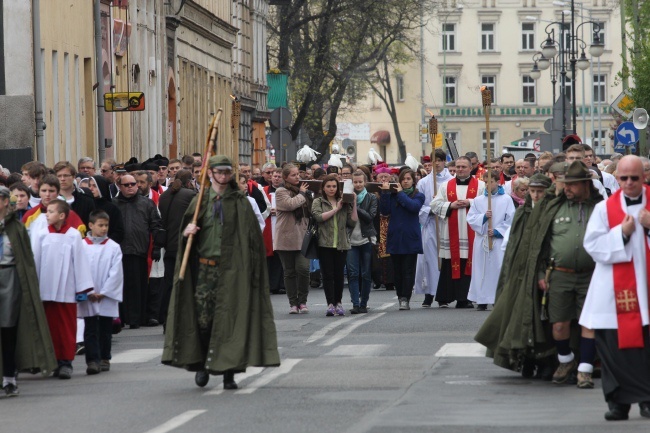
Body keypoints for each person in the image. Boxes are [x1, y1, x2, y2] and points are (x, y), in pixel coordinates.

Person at [162, 155, 280, 390]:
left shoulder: (241, 203)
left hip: (233, 272)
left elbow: (252, 239)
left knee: (231, 321)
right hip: (205, 270)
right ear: (210, 173)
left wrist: (251, 270)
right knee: (204, 321)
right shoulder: (199, 202)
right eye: (219, 172)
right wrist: (188, 233)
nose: (224, 176)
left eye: (227, 172)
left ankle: (229, 372)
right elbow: (185, 239)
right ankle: (204, 365)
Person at [580, 155, 650, 421]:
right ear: (617, 178)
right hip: (612, 292)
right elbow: (593, 245)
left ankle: (647, 400)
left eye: (635, 178)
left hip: (647, 290)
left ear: (643, 176)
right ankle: (618, 403)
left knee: (645, 349)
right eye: (624, 178)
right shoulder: (604, 208)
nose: (629, 183)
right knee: (612, 349)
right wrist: (621, 233)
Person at [475, 173, 555, 377]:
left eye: (540, 191)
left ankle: (544, 360)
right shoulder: (523, 212)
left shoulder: (551, 213)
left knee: (541, 318)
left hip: (542, 272)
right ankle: (523, 359)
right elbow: (514, 244)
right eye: (533, 191)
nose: (536, 195)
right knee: (517, 317)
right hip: (520, 273)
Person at [537, 161, 603, 388]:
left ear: (585, 184)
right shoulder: (555, 208)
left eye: (573, 185)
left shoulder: (600, 208)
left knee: (590, 323)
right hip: (560, 275)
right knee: (559, 325)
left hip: (592, 275)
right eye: (566, 184)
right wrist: (539, 274)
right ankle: (565, 360)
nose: (567, 188)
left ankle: (585, 369)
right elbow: (541, 244)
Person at [0, 186, 57, 396]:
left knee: (8, 330)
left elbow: (26, 260)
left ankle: (9, 377)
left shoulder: (16, 228)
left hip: (11, 280)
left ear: (6, 202)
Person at [32, 199, 94, 379]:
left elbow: (80, 261)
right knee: (50, 326)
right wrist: (33, 285)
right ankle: (52, 361)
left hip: (67, 288)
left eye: (51, 211)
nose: (47, 214)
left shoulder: (73, 235)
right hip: (45, 287)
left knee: (66, 326)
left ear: (61, 216)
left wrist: (82, 288)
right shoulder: (42, 234)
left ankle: (66, 362)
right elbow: (35, 260)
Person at [431, 156, 486, 308]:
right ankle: (444, 297)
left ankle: (464, 299)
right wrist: (450, 205)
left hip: (471, 233)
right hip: (451, 232)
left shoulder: (480, 185)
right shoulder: (445, 186)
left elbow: (487, 203)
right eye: (458, 167)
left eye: (464, 167)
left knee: (468, 263)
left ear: (470, 168)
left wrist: (471, 202)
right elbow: (434, 204)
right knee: (450, 263)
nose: (460, 169)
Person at [113, 174, 164, 329]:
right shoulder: (114, 204)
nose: (130, 187)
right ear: (120, 187)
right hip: (118, 251)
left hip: (138, 251)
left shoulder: (147, 204)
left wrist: (156, 247)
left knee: (137, 287)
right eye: (126, 184)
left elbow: (156, 226)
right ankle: (121, 318)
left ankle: (136, 318)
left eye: (133, 184)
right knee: (119, 286)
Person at [77, 210, 123, 375]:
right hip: (88, 295)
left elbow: (116, 272)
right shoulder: (81, 246)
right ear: (90, 225)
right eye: (100, 225)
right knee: (90, 328)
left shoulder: (113, 247)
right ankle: (92, 360)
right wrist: (87, 290)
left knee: (105, 328)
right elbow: (79, 269)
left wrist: (104, 292)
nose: (104, 229)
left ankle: (104, 357)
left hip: (106, 296)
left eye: (106, 225)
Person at [466, 171, 515, 311]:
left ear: (497, 182)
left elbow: (511, 220)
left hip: (497, 240)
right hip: (482, 240)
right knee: (481, 269)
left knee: (497, 268)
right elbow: (471, 218)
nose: (488, 184)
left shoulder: (506, 199)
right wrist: (483, 217)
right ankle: (481, 299)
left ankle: (496, 298)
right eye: (485, 182)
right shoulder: (478, 200)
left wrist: (498, 231)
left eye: (491, 181)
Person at [312, 174, 358, 316]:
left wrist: (354, 203)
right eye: (328, 186)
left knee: (339, 275)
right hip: (325, 243)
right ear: (323, 188)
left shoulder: (343, 201)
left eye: (334, 186)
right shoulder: (318, 202)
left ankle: (338, 303)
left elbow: (352, 222)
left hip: (341, 243)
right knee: (327, 275)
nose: (331, 189)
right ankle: (330, 304)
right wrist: (336, 209)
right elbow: (319, 217)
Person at [380, 169, 425, 310]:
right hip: (395, 237)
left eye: (408, 179)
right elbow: (385, 211)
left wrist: (399, 193)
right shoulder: (393, 196)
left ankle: (406, 298)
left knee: (408, 270)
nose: (405, 181)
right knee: (397, 271)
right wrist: (385, 193)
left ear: (413, 181)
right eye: (403, 179)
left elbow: (413, 207)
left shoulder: (418, 195)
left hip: (410, 238)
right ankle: (400, 296)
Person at [415, 150, 454, 307]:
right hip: (431, 224)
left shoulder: (451, 181)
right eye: (434, 161)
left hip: (446, 224)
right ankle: (429, 293)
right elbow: (419, 206)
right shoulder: (424, 182)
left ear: (444, 161)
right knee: (429, 259)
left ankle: (443, 294)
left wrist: (441, 206)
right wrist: (432, 208)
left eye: (439, 160)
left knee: (445, 259)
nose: (436, 163)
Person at [275, 164, 312, 314]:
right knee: (289, 272)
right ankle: (293, 303)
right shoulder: (280, 191)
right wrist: (303, 194)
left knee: (303, 269)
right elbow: (290, 205)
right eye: (293, 175)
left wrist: (308, 195)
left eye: (298, 174)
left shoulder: (304, 192)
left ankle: (302, 301)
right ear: (285, 178)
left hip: (302, 236)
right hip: (286, 237)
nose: (298, 177)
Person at [346, 170, 377, 314]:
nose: (358, 184)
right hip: (351, 240)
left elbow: (370, 217)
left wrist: (355, 206)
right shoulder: (346, 197)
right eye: (355, 182)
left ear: (365, 182)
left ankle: (364, 303)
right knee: (352, 273)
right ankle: (355, 303)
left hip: (366, 239)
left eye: (360, 182)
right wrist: (349, 202)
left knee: (365, 273)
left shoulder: (371, 197)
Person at [263, 168, 286, 295]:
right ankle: (271, 285)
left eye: (279, 176)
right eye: (275, 176)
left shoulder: (286, 191)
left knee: (281, 257)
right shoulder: (264, 190)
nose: (276, 178)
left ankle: (282, 284)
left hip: (282, 225)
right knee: (270, 258)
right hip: (268, 226)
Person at [53, 161, 96, 228]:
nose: (62, 179)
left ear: (73, 177)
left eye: (66, 175)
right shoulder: (51, 201)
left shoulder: (86, 200)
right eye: (59, 176)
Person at [87, 175, 125, 243]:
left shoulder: (112, 208)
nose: (91, 189)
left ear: (101, 187)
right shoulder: (86, 205)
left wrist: (105, 243)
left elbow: (118, 232)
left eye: (94, 186)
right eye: (89, 186)